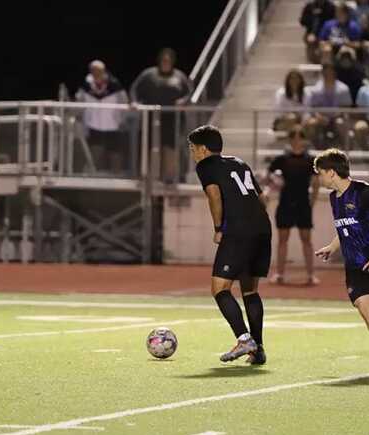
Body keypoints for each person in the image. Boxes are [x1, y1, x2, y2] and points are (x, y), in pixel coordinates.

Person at [313, 149, 369, 375]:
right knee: (365, 309)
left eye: (320, 173)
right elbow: (345, 227)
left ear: (332, 172)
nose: (319, 178)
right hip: (356, 265)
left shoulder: (365, 192)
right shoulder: (333, 198)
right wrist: (333, 246)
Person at [189, 125, 272, 365]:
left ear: (204, 149)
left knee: (220, 288)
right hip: (261, 228)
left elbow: (214, 195)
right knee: (250, 290)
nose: (193, 153)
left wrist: (218, 228)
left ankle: (244, 338)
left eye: (193, 149)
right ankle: (258, 349)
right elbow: (262, 198)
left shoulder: (205, 166)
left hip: (238, 231)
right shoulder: (239, 162)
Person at [266, 125, 320, 286]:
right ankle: (279, 274)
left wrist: (313, 201)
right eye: (294, 137)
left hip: (303, 203)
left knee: (307, 240)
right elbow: (268, 175)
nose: (297, 140)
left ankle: (311, 275)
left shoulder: (311, 160)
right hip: (285, 202)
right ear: (290, 139)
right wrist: (275, 183)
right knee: (283, 239)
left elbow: (316, 182)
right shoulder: (282, 159)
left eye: (300, 136)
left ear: (304, 140)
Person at [130, 48, 193, 183]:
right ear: (159, 61)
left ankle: (169, 178)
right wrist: (134, 102)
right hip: (151, 117)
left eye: (168, 61)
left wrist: (184, 101)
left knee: (170, 147)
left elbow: (189, 94)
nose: (166, 63)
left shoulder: (179, 76)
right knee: (151, 146)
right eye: (164, 60)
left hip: (173, 119)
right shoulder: (148, 75)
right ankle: (149, 178)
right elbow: (135, 89)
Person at [75, 60, 129, 174]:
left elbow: (124, 101)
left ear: (103, 71)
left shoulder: (114, 84)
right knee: (95, 149)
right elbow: (79, 101)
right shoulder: (86, 85)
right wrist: (78, 116)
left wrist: (122, 120)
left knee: (115, 151)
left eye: (98, 70)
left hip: (113, 124)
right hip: (93, 124)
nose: (96, 73)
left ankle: (116, 175)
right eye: (93, 70)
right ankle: (91, 174)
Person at [303, 63, 353, 148]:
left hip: (338, 118)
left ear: (335, 72)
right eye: (326, 71)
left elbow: (346, 108)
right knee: (311, 124)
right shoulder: (315, 89)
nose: (328, 73)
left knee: (340, 123)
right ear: (322, 73)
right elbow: (314, 108)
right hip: (321, 118)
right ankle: (316, 150)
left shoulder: (344, 88)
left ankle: (346, 152)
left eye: (331, 71)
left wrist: (335, 116)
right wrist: (319, 117)